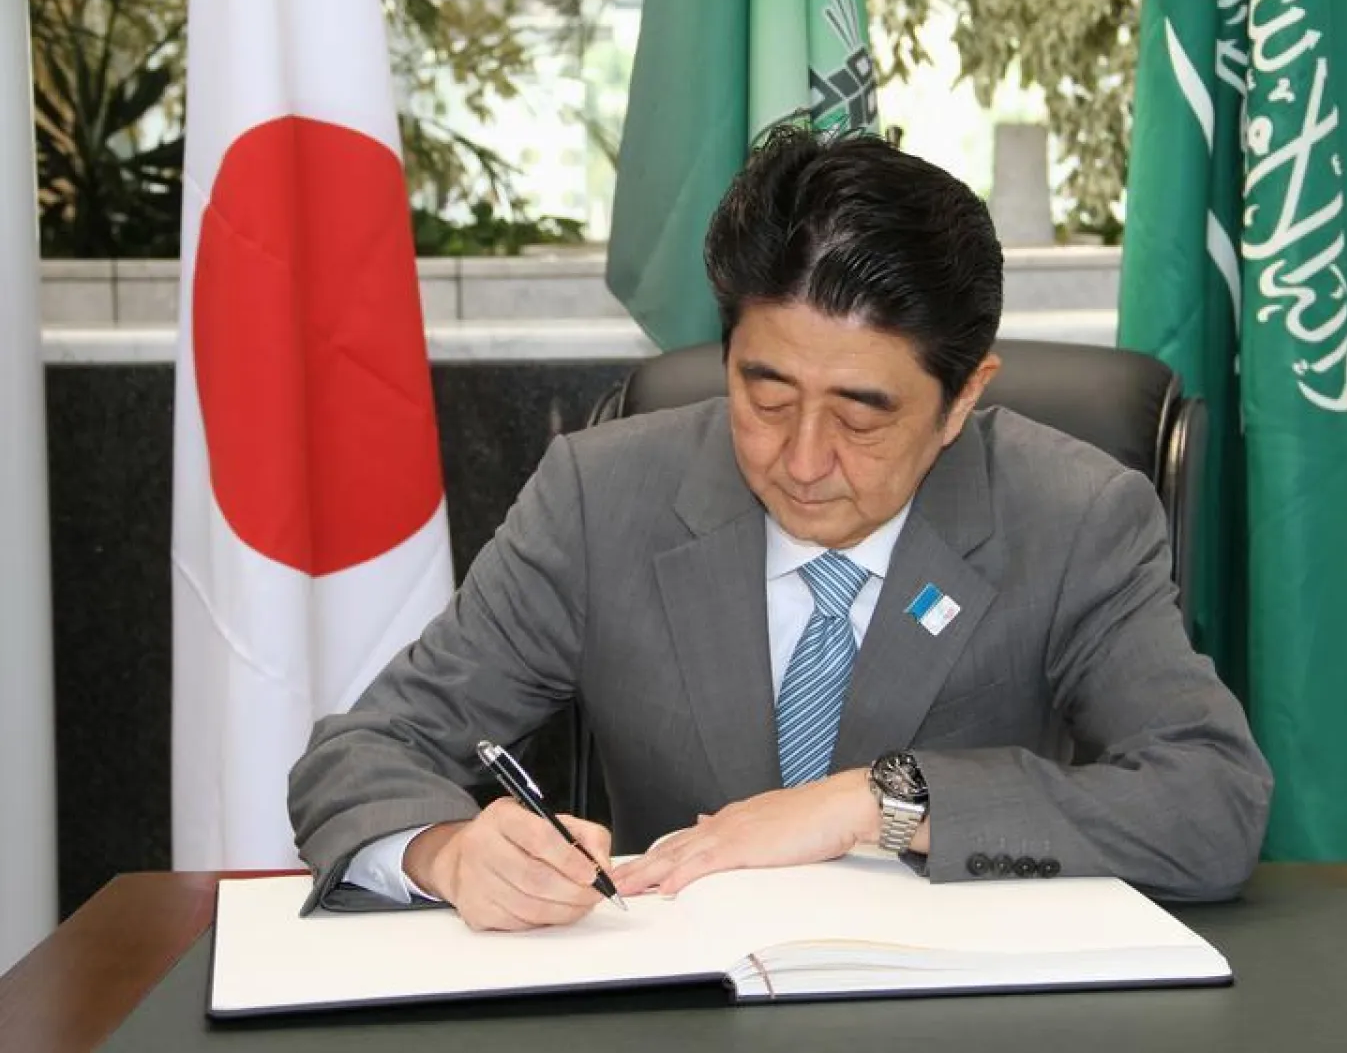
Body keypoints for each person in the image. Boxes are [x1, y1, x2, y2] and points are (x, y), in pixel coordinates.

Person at [288, 125, 1273, 932]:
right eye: (764, 396)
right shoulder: (601, 498)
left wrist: (878, 805)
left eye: (860, 416)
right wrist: (447, 852)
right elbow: (366, 750)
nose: (801, 462)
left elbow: (1210, 804)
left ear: (963, 398)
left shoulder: (1071, 517)